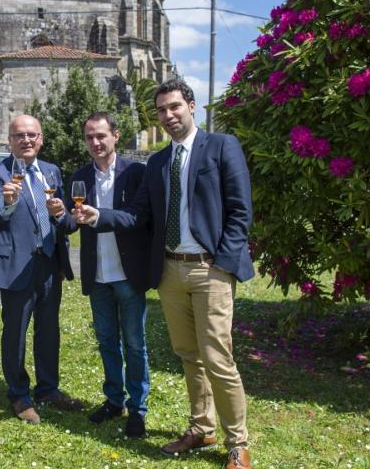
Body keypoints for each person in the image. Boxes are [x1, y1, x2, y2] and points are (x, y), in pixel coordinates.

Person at [75, 79, 254, 469]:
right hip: (170, 271)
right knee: (188, 355)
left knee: (218, 358)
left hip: (211, 269)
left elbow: (240, 211)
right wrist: (98, 216)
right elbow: (139, 215)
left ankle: (237, 442)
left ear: (191, 106)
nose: (168, 115)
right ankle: (201, 427)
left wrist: (223, 262)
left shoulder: (222, 146)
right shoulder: (156, 162)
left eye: (174, 107)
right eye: (161, 110)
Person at [48, 112, 152, 437]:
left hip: (128, 274)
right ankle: (113, 400)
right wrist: (58, 215)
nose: (95, 142)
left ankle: (137, 409)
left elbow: (138, 218)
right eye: (90, 137)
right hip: (98, 275)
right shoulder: (80, 176)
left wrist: (98, 217)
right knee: (107, 341)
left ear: (116, 136)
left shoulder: (136, 173)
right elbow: (70, 223)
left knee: (134, 345)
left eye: (101, 135)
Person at [0, 114, 82, 424]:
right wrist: (7, 202)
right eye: (20, 135)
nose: (27, 140)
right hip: (16, 264)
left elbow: (66, 224)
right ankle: (19, 394)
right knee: (16, 332)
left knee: (49, 330)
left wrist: (63, 213)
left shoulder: (51, 171)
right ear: (9, 140)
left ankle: (48, 388)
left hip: (49, 264)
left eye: (32, 135)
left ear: (41, 139)